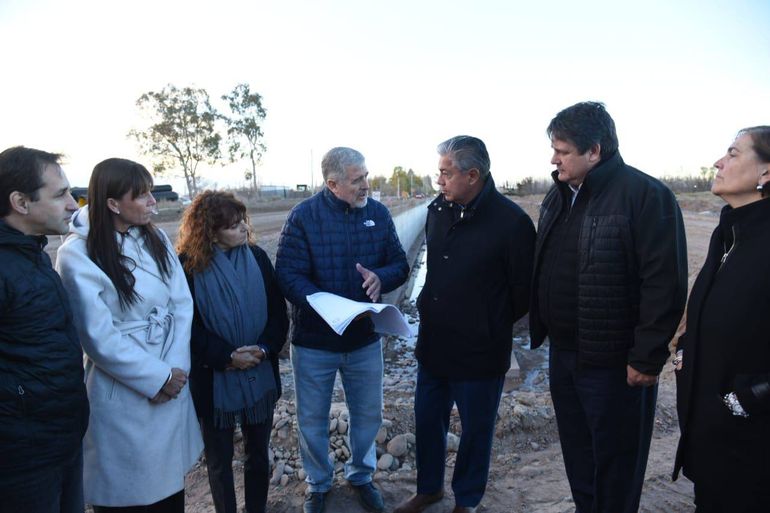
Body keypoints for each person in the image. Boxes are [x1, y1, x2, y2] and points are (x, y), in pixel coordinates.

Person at [529, 102, 688, 513]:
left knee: (616, 467)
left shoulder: (645, 196)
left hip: (615, 366)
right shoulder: (558, 196)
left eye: (562, 150)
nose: (553, 159)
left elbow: (664, 284)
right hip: (564, 356)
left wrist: (646, 358)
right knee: (579, 458)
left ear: (594, 151)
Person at [393, 136, 535, 513]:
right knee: (427, 421)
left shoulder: (512, 223)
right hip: (435, 344)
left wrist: (486, 322)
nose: (438, 181)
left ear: (472, 175)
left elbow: (523, 292)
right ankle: (429, 489)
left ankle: (467, 500)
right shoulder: (439, 210)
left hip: (480, 350)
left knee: (475, 430)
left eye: (445, 173)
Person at [56, 158, 203, 512]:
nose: (153, 201)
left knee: (170, 491)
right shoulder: (77, 254)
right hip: (125, 391)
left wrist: (174, 370)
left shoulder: (154, 238)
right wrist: (156, 378)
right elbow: (98, 338)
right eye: (142, 195)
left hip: (172, 376)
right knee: (130, 492)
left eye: (151, 192)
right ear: (112, 204)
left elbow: (181, 304)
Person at [275, 147, 409, 513]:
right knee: (312, 418)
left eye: (366, 175)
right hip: (315, 342)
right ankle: (318, 484)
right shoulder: (303, 217)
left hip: (364, 339)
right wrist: (321, 302)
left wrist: (381, 278)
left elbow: (400, 263)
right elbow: (286, 273)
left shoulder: (378, 215)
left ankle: (361, 476)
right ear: (332, 184)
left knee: (368, 414)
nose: (367, 184)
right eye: (357, 179)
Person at [673, 126, 770, 512]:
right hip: (711, 440)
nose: (718, 162)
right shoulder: (727, 233)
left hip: (752, 449)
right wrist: (685, 350)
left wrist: (742, 401)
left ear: (766, 173)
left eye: (732, 153)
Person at [176, 191, 288, 513]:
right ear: (210, 231)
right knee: (219, 462)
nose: (243, 229)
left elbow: (278, 315)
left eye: (242, 222)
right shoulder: (187, 268)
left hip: (260, 372)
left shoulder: (258, 259)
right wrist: (227, 356)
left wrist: (265, 349)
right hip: (214, 381)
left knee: (258, 455)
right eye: (233, 225)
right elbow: (189, 327)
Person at [0, 146, 89, 513]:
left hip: (60, 442)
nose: (73, 204)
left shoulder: (31, 254)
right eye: (60, 194)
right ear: (21, 201)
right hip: (23, 461)